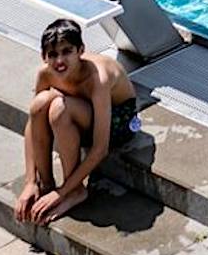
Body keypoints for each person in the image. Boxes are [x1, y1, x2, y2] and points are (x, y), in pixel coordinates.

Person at [16, 20, 138, 225]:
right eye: (53, 55)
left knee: (59, 110)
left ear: (81, 50)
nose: (60, 61)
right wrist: (30, 182)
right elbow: (34, 122)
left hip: (119, 121)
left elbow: (100, 148)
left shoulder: (97, 78)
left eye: (67, 52)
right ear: (44, 57)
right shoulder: (45, 73)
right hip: (82, 112)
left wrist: (62, 193)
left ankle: (75, 190)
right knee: (40, 103)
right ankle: (45, 184)